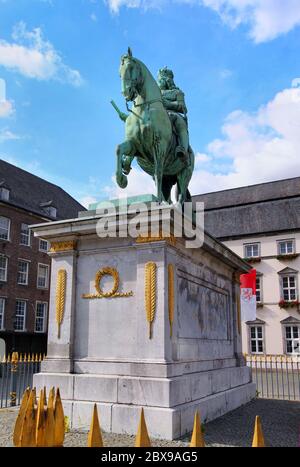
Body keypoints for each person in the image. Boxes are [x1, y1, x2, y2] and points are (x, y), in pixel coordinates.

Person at [157, 67, 190, 165]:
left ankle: (183, 149)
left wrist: (169, 104)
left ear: (167, 80)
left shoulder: (177, 92)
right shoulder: (155, 93)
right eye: (158, 80)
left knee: (180, 123)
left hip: (173, 114)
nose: (158, 82)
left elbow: (183, 108)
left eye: (160, 80)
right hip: (157, 114)